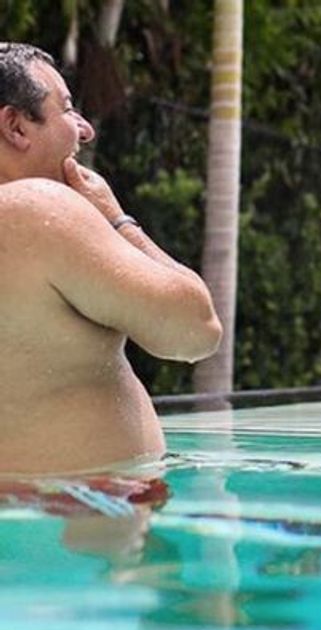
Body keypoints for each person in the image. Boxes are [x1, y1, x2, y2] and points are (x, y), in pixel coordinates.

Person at [0, 42, 222, 475]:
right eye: (66, 109)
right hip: (77, 513)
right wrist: (118, 218)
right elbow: (196, 330)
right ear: (15, 126)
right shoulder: (37, 210)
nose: (84, 129)